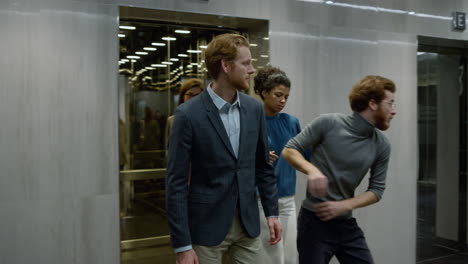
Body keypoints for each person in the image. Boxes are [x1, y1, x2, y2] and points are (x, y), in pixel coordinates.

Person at [166, 33, 282, 264]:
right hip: (206, 227)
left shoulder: (254, 109)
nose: (252, 70)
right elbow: (175, 183)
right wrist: (182, 245)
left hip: (248, 224)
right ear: (226, 66)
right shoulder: (188, 115)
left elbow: (262, 166)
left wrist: (271, 211)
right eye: (246, 63)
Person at [282, 75, 397, 264]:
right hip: (314, 222)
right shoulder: (328, 123)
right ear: (373, 104)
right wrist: (312, 170)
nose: (394, 111)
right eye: (390, 103)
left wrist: (345, 205)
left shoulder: (382, 144)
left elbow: (377, 190)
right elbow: (289, 150)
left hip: (346, 225)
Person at [253, 66, 308, 264]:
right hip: (262, 199)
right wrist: (258, 157)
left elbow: (305, 156)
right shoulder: (252, 121)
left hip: (287, 199)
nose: (283, 101)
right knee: (272, 258)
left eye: (286, 96)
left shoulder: (291, 122)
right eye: (278, 95)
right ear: (264, 93)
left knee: (292, 256)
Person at [165, 79, 204, 149]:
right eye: (190, 95)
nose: (193, 98)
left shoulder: (209, 120)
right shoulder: (172, 121)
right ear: (183, 96)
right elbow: (168, 148)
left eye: (197, 95)